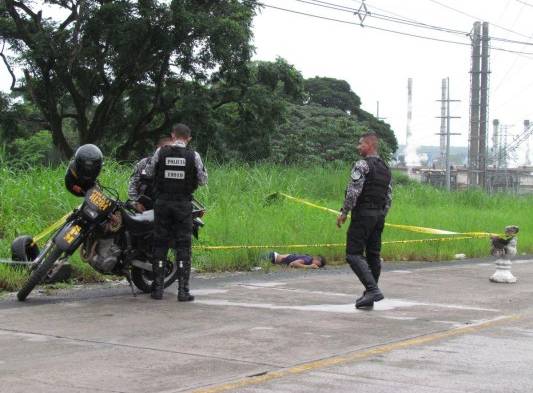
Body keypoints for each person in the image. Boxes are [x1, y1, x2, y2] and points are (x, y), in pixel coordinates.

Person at [145, 123, 208, 301]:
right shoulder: (193, 155)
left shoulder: (161, 152)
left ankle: (157, 290)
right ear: (188, 138)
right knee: (183, 247)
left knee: (160, 245)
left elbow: (149, 171)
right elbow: (203, 180)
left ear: (173, 136)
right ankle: (183, 291)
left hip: (162, 203)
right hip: (182, 205)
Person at [336, 132, 392, 309]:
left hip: (363, 215)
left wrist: (344, 212)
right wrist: (381, 214)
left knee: (353, 254)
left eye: (360, 144)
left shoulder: (362, 165)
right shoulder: (385, 167)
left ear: (369, 145)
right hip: (379, 216)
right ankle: (369, 295)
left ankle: (372, 290)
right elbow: (389, 196)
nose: (358, 147)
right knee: (373, 255)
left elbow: (353, 192)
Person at [127, 137, 172, 212]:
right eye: (166, 147)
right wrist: (135, 203)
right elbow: (133, 183)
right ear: (158, 148)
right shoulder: (144, 163)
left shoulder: (175, 167)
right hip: (142, 208)